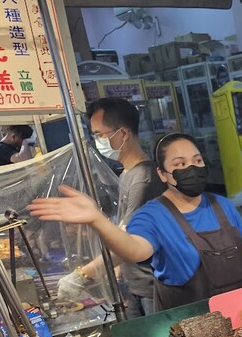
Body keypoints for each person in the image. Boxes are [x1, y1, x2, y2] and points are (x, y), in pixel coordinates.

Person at [29, 133, 242, 311]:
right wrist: (97, 220)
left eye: (197, 161)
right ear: (162, 174)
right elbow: (134, 250)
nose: (192, 168)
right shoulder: (153, 215)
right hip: (190, 328)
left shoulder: (222, 205)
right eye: (179, 164)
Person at [56, 98, 166, 318]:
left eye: (100, 135)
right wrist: (115, 275)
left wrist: (83, 275)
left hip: (152, 287)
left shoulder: (144, 179)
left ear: (123, 134)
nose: (97, 141)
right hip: (136, 284)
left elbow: (128, 238)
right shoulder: (127, 173)